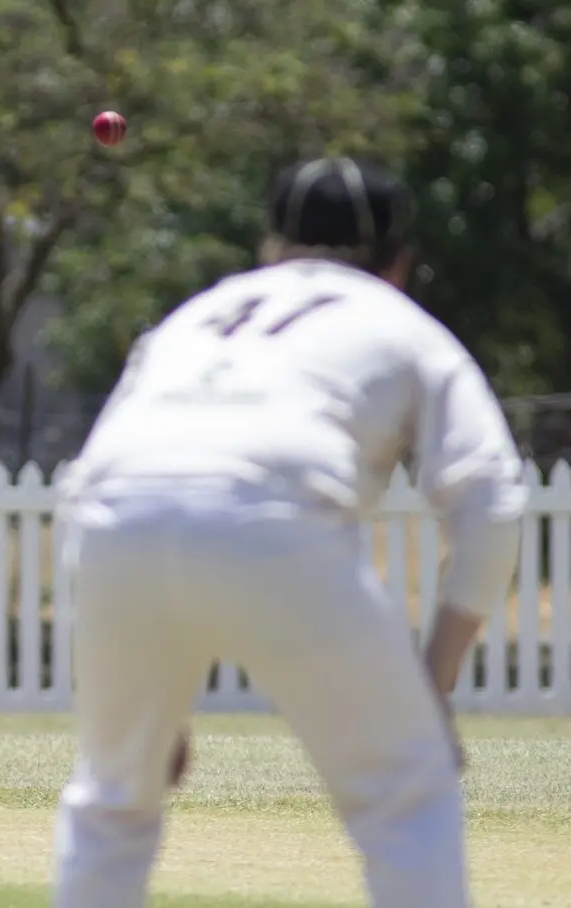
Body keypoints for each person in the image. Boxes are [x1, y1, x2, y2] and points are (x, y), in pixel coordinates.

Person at [49, 157, 526, 907]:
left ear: (271, 248)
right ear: (398, 264)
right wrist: (432, 686)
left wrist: (149, 703)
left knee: (113, 801)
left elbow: (99, 479)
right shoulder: (399, 321)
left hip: (116, 526)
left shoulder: (199, 315)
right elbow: (493, 501)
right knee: (406, 795)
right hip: (278, 522)